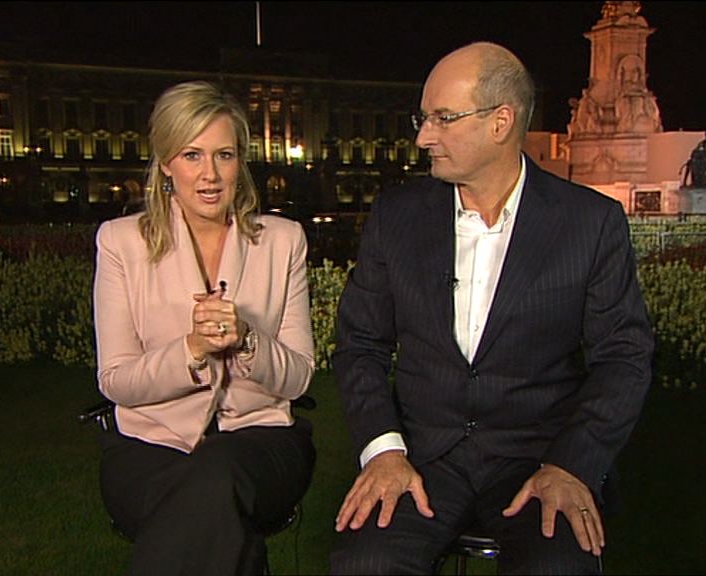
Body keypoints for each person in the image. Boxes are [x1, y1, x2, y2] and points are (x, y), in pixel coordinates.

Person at [330, 42, 654, 575]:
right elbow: (359, 345)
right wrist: (383, 450)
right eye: (422, 118)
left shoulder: (590, 223)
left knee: (558, 567)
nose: (423, 137)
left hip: (539, 458)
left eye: (443, 118)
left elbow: (623, 358)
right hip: (421, 457)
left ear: (501, 122)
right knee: (365, 562)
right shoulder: (396, 217)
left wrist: (571, 464)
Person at [93, 81, 316, 576]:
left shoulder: (284, 241)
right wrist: (191, 349)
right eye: (192, 155)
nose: (210, 174)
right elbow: (116, 381)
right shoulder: (120, 243)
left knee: (213, 483)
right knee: (212, 504)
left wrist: (248, 340)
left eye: (224, 155)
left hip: (261, 441)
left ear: (241, 163)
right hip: (149, 445)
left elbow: (299, 378)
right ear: (166, 163)